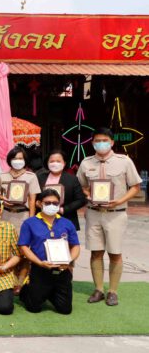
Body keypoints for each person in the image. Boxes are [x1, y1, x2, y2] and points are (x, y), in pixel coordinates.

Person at [77, 127, 141, 306]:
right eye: (97, 141)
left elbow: (135, 186)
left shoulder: (124, 161)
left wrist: (119, 201)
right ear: (92, 143)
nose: (101, 144)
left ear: (112, 142)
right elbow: (81, 185)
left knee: (115, 253)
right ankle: (98, 289)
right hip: (94, 213)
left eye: (104, 140)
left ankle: (113, 291)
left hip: (116, 214)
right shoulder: (86, 163)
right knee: (96, 252)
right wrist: (89, 195)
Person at [18, 189, 80, 315]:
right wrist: (39, 263)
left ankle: (50, 293)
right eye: (47, 203)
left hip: (62, 270)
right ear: (39, 203)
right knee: (33, 308)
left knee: (65, 310)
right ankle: (26, 290)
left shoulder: (67, 223)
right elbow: (23, 246)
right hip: (40, 269)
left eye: (55, 203)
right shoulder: (29, 223)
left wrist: (68, 260)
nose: (52, 205)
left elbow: (76, 246)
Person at [36, 150, 86, 231]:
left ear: (64, 163)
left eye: (58, 161)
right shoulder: (39, 177)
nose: (55, 163)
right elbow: (35, 197)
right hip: (42, 219)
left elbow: (81, 200)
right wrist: (39, 204)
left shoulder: (72, 179)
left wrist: (63, 209)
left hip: (65, 218)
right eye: (52, 161)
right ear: (47, 163)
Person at [0, 146, 41, 230]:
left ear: (25, 160)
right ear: (10, 160)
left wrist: (31, 220)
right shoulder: (2, 176)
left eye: (20, 158)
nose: (17, 161)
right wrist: (3, 200)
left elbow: (32, 200)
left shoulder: (31, 176)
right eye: (14, 158)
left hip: (23, 215)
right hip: (5, 214)